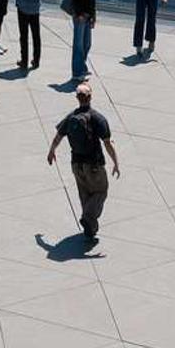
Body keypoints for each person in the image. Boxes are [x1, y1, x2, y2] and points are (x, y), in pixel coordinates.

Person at [46, 83, 121, 241]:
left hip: (76, 164)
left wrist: (52, 151)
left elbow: (58, 136)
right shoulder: (97, 118)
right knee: (100, 191)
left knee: (84, 193)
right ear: (90, 97)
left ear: (77, 98)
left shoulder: (71, 117)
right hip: (94, 164)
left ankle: (90, 229)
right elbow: (107, 143)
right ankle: (87, 218)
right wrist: (115, 162)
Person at [64, 0, 97, 80]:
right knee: (78, 45)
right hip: (80, 18)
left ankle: (81, 67)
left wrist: (93, 17)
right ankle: (77, 73)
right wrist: (79, 14)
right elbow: (74, 1)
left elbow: (93, 3)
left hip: (88, 17)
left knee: (87, 43)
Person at [13, 0, 44, 70]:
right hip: (35, 9)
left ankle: (24, 61)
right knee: (36, 36)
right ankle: (36, 61)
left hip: (23, 8)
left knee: (24, 35)